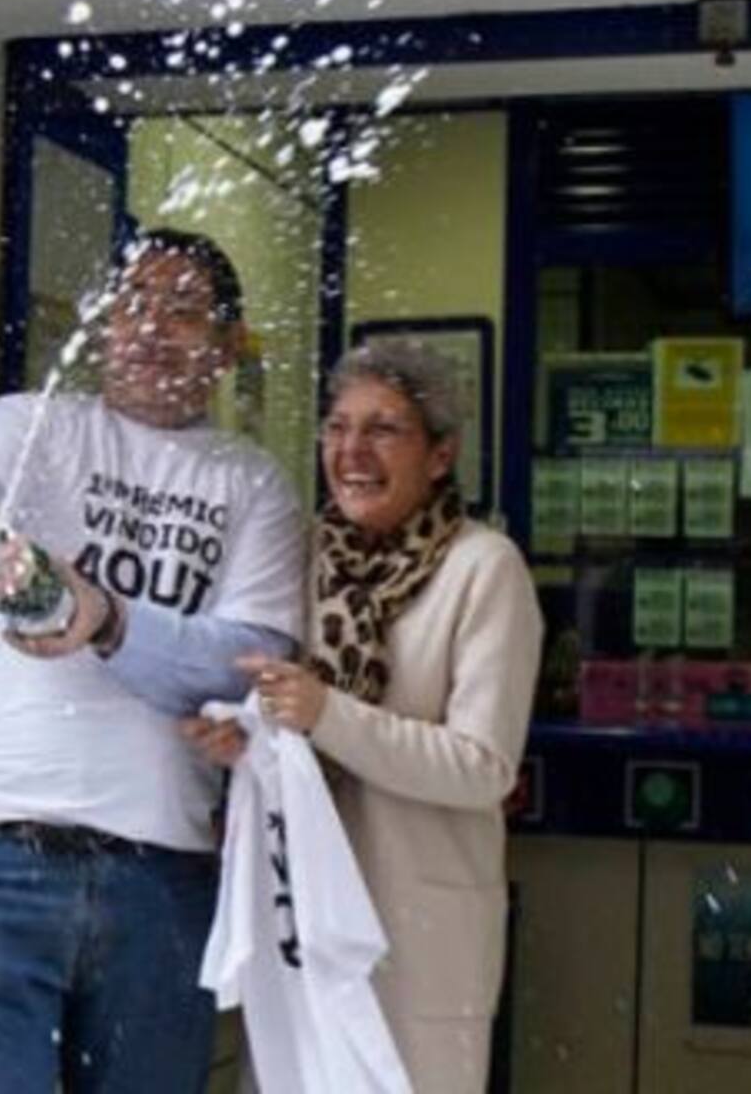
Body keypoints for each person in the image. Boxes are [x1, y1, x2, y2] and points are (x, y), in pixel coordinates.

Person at [0, 228, 304, 1094]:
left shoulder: (253, 483)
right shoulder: (28, 423)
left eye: (185, 311)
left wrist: (105, 618)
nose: (151, 329)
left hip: (159, 868)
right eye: (132, 306)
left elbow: (248, 662)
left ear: (230, 347)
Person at [185, 338, 543, 1093]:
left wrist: (327, 715)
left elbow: (482, 767)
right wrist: (241, 739)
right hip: (302, 923)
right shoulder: (304, 555)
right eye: (337, 427)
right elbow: (279, 716)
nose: (352, 451)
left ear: (440, 455)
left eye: (383, 429)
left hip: (419, 937)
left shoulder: (485, 567)